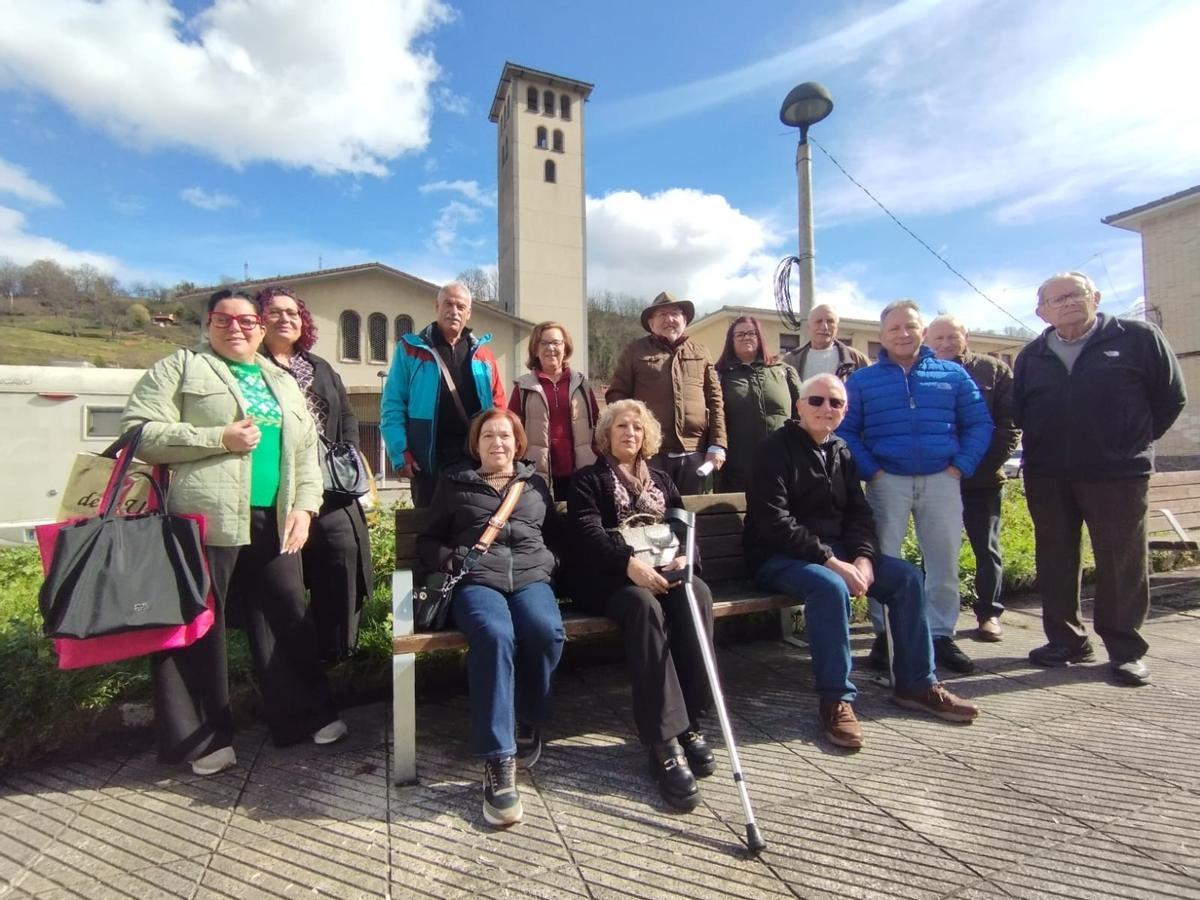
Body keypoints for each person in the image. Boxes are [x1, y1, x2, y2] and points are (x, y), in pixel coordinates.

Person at [121, 289, 347, 776]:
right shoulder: (180, 367)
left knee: (287, 614)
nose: (238, 328)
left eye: (248, 321)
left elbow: (306, 452)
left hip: (275, 516)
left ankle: (304, 715)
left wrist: (306, 508)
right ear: (208, 323)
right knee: (199, 626)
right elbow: (138, 432)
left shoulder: (280, 380)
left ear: (261, 328)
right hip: (203, 518)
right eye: (225, 319)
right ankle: (202, 738)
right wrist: (215, 438)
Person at [745, 374, 980, 747]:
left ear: (844, 411)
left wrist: (864, 559)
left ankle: (916, 684)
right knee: (829, 585)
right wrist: (831, 562)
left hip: (837, 554)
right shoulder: (773, 451)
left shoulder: (841, 450)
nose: (827, 408)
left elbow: (859, 515)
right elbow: (774, 522)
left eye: (836, 403)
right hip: (778, 557)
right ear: (799, 406)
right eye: (818, 401)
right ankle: (836, 698)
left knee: (904, 577)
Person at [1014, 271, 1186, 686]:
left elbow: (1171, 397)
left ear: (1096, 296)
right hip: (1049, 472)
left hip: (1118, 472)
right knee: (1055, 557)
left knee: (1120, 559)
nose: (1068, 303)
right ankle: (1066, 641)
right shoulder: (1032, 355)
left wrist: (1131, 440)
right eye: (1057, 299)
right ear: (1042, 311)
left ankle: (1125, 649)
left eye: (1076, 294)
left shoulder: (1137, 338)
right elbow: (1020, 412)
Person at [566, 399, 717, 811]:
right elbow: (586, 533)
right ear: (606, 437)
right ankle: (663, 740)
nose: (629, 433)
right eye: (620, 428)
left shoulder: (664, 481)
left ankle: (690, 722)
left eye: (636, 427)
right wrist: (628, 565)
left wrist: (687, 558)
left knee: (698, 594)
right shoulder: (587, 480)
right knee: (643, 608)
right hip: (611, 581)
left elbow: (685, 526)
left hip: (663, 575)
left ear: (646, 435)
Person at [417, 408, 564, 826]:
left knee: (545, 631)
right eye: (488, 437)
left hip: (532, 579)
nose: (497, 443)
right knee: (495, 635)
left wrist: (551, 563)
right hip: (478, 580)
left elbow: (555, 534)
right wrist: (452, 558)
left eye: (505, 436)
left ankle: (530, 717)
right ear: (475, 444)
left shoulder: (534, 485)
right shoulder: (454, 483)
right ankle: (499, 761)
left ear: (518, 443)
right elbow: (428, 538)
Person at [838, 300, 993, 675]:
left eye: (910, 326)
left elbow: (980, 424)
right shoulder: (862, 381)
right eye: (894, 329)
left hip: (943, 479)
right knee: (883, 561)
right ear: (881, 336)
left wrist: (960, 467)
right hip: (886, 481)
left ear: (922, 331)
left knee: (943, 561)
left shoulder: (952, 375)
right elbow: (845, 430)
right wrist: (872, 471)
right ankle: (886, 635)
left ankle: (940, 635)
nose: (903, 334)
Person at [256, 285, 372, 662]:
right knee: (284, 570)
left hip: (329, 481)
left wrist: (350, 451)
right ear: (258, 319)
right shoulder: (250, 366)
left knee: (343, 551)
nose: (285, 319)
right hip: (276, 484)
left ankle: (337, 648)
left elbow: (348, 415)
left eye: (292, 313)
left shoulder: (319, 366)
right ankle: (289, 654)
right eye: (275, 312)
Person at [926, 315, 1020, 643]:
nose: (945, 343)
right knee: (937, 551)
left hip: (982, 480)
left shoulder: (994, 370)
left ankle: (989, 614)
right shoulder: (920, 372)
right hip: (935, 479)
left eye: (952, 336)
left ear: (965, 336)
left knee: (986, 548)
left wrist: (970, 466)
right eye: (938, 338)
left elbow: (1009, 428)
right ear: (927, 339)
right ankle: (937, 618)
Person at [381, 281, 506, 508]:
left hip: (476, 459)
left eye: (461, 306)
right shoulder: (410, 349)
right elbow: (393, 405)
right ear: (436, 306)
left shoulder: (484, 355)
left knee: (476, 519)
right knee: (430, 527)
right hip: (428, 462)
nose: (454, 311)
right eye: (448, 304)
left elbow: (499, 408)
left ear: (469, 314)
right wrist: (400, 452)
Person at [606, 292, 727, 495]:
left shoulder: (701, 352)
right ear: (651, 323)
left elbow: (716, 401)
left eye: (675, 314)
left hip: (695, 453)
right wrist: (629, 440)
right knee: (653, 514)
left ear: (685, 320)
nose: (669, 320)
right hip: (651, 454)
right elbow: (617, 396)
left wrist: (718, 444)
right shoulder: (635, 351)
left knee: (692, 517)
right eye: (662, 314)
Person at [509, 320, 599, 500]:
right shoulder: (523, 387)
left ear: (565, 348)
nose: (551, 348)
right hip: (536, 473)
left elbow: (597, 425)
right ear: (535, 349)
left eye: (556, 342)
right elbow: (512, 431)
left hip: (580, 470)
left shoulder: (582, 385)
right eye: (544, 343)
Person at [714, 315, 801, 492]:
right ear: (731, 341)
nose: (746, 337)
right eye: (739, 335)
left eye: (751, 333)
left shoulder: (784, 372)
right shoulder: (718, 375)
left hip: (782, 464)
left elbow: (803, 412)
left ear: (760, 336)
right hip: (737, 471)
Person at [781, 302, 870, 381]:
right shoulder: (790, 360)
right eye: (818, 321)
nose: (824, 327)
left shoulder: (856, 359)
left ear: (837, 327)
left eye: (830, 321)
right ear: (808, 327)